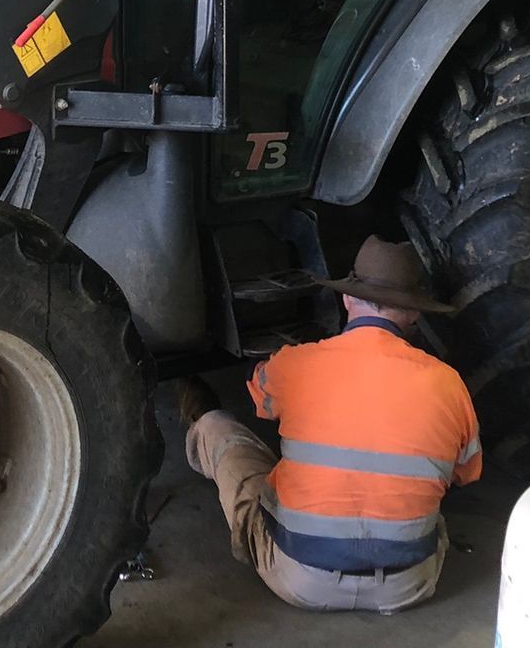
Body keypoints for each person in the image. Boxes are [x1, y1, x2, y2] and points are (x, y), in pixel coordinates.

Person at [176, 236, 481, 614]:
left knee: (222, 431)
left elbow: (260, 398)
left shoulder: (296, 364)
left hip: (301, 581)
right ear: (414, 313)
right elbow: (465, 473)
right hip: (409, 585)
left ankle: (198, 414)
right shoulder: (449, 382)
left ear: (347, 299)